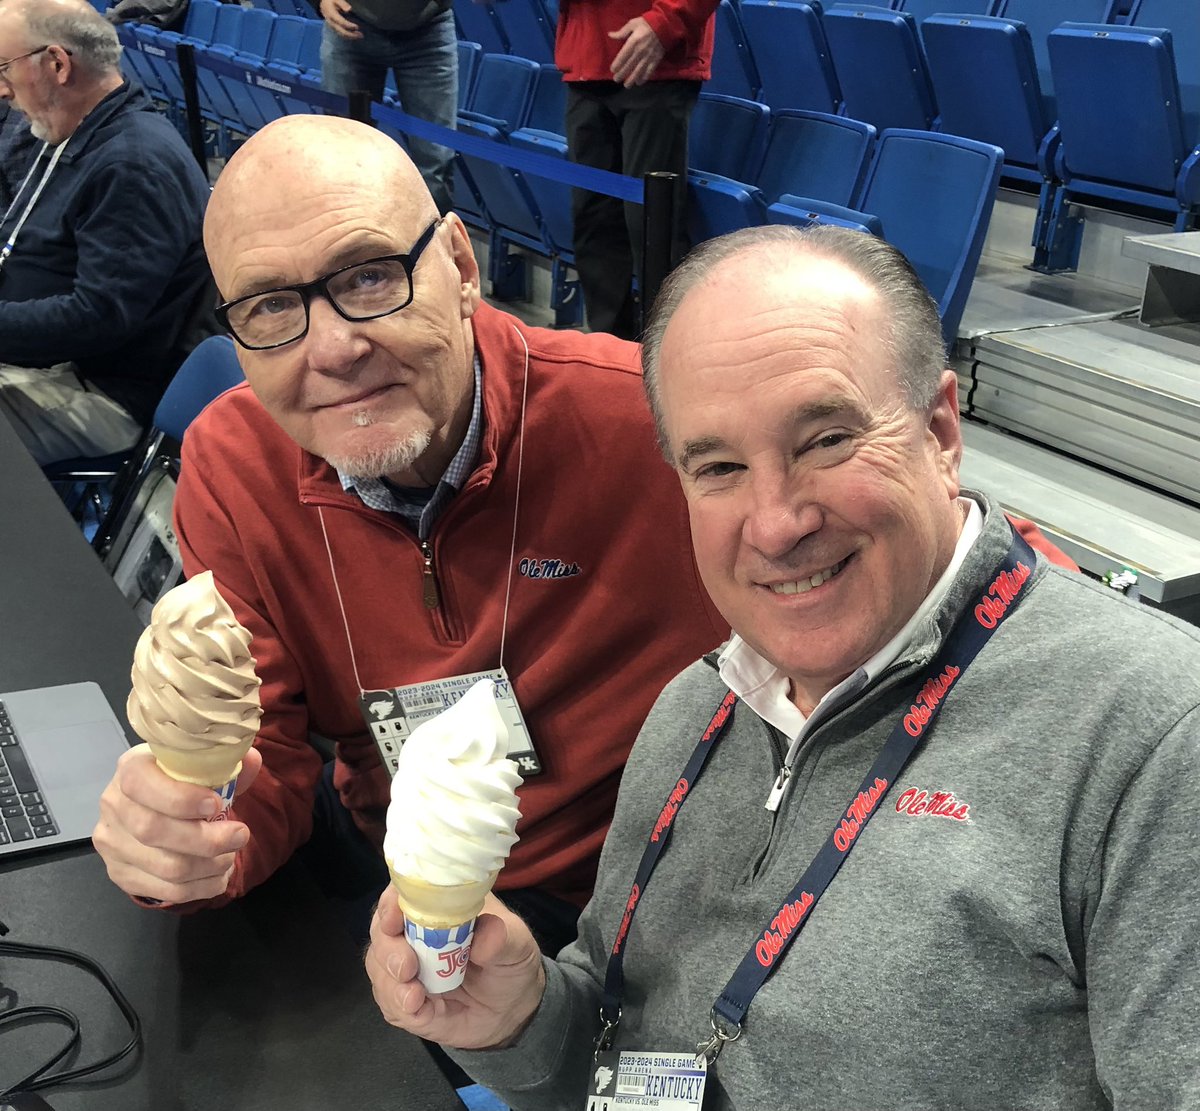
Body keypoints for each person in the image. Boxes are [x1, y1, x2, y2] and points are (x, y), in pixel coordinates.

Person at [365, 225, 1200, 1110]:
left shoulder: (1153, 737)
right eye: (719, 466)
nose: (774, 523)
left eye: (826, 440)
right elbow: (620, 1055)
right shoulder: (694, 706)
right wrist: (522, 1019)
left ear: (940, 431)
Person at [91, 114, 731, 958]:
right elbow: (265, 754)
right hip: (385, 854)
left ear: (460, 266)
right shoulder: (233, 463)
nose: (333, 348)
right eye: (272, 306)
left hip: (604, 903)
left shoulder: (655, 429)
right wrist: (191, 838)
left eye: (368, 276)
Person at [0, 0, 211, 467]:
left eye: (4, 69)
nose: (2, 90)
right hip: (43, 366)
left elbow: (97, 319)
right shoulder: (75, 129)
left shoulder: (133, 164)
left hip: (97, 391)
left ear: (57, 64)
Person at [558, 0, 718, 340]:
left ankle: (665, 353)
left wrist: (666, 22)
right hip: (586, 62)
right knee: (592, 218)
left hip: (656, 64)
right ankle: (609, 350)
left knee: (652, 225)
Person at [318, 0, 456, 215]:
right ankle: (350, 233)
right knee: (344, 155)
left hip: (429, 32)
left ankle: (433, 236)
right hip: (350, 28)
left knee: (436, 164)